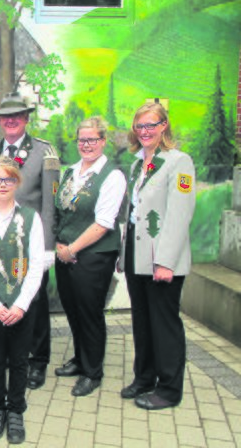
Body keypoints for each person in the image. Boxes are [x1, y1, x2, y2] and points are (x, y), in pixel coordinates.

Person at [119, 102, 196, 410]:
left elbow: (180, 215)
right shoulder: (139, 163)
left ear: (164, 126)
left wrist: (165, 261)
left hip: (162, 258)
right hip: (137, 254)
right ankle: (144, 377)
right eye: (140, 126)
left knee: (164, 324)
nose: (145, 132)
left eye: (151, 125)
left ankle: (169, 388)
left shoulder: (179, 162)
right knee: (142, 320)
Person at [0, 156, 45, 444]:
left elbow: (36, 263)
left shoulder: (30, 218)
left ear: (17, 183)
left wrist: (21, 304)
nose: (2, 184)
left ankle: (16, 409)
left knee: (19, 359)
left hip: (21, 305)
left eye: (8, 179)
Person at [0, 92, 60, 390]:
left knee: (34, 301)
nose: (11, 120)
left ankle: (37, 359)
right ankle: (8, 354)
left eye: (17, 115)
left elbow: (49, 203)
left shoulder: (45, 153)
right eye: (6, 116)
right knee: (5, 296)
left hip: (31, 242)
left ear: (27, 118)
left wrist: (47, 248)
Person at [53, 116, 126, 397]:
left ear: (103, 141)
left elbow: (103, 223)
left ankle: (92, 372)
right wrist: (60, 247)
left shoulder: (112, 176)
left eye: (92, 140)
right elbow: (61, 210)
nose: (86, 145)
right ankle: (80, 358)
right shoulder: (71, 171)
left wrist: (72, 250)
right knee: (72, 309)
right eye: (82, 139)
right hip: (66, 253)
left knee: (90, 313)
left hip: (93, 256)